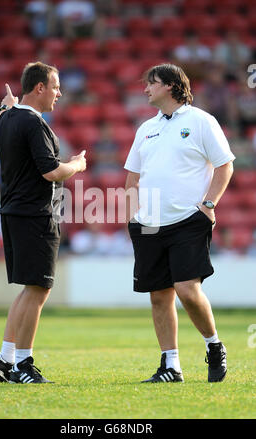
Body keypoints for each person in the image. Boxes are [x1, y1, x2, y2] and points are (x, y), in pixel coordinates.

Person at [124, 63, 235, 383]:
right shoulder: (146, 128)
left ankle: (214, 346)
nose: (145, 88)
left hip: (188, 219)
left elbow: (224, 166)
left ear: (171, 86)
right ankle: (170, 366)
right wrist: (133, 217)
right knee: (158, 295)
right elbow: (133, 176)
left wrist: (209, 204)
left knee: (187, 289)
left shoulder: (201, 121)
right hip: (148, 224)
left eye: (151, 83)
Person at [0, 62, 86, 384]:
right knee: (39, 289)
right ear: (39, 88)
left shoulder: (10, 118)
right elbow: (51, 171)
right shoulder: (34, 123)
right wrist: (76, 165)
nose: (59, 93)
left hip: (13, 213)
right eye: (55, 87)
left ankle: (5, 358)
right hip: (35, 215)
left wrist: (5, 108)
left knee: (30, 289)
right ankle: (23, 365)